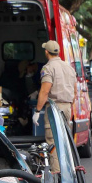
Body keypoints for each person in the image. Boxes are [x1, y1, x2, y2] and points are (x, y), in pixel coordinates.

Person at [34, 40, 76, 174]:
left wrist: (37, 110)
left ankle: (57, 173)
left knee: (53, 140)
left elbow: (45, 91)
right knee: (64, 140)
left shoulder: (48, 68)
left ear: (46, 52)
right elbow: (74, 91)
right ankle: (68, 170)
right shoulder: (69, 67)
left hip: (54, 108)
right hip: (67, 107)